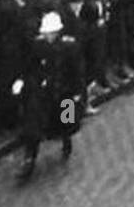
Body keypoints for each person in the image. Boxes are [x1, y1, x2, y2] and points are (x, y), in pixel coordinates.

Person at [13, 10, 85, 184]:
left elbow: (77, 71)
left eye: (49, 33)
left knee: (67, 121)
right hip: (43, 91)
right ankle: (29, 158)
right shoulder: (38, 46)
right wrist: (23, 81)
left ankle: (67, 140)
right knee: (34, 124)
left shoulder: (70, 47)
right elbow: (30, 66)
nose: (46, 36)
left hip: (64, 90)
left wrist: (77, 92)